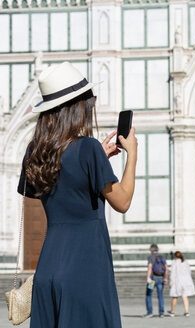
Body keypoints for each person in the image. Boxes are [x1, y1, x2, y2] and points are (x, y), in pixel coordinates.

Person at [18, 61, 138, 327]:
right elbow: (123, 201)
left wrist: (98, 160)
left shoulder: (35, 152)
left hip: (47, 268)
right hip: (86, 268)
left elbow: (64, 183)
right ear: (78, 107)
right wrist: (132, 155)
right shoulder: (88, 148)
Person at [168, 251, 195, 317]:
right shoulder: (185, 262)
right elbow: (189, 271)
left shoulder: (174, 262)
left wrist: (171, 282)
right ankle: (186, 312)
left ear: (175, 256)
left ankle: (172, 312)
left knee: (175, 296)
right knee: (185, 296)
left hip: (177, 281)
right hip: (186, 281)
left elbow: (173, 273)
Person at [144, 243, 168, 318]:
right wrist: (166, 278)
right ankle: (161, 313)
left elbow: (150, 267)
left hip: (152, 279)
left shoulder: (151, 257)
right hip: (160, 278)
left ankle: (150, 312)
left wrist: (148, 277)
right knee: (160, 295)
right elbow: (166, 269)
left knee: (149, 295)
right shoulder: (162, 257)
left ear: (151, 250)